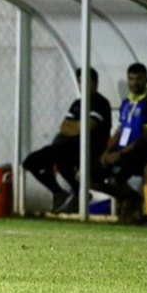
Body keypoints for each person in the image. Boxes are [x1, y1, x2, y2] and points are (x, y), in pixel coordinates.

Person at [22, 67, 111, 214]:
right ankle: (60, 192)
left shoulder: (100, 103)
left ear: (95, 83)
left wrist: (75, 127)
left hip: (89, 151)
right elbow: (64, 127)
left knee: (59, 158)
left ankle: (79, 193)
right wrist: (77, 127)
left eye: (87, 81)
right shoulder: (77, 103)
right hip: (66, 148)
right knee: (31, 162)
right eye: (80, 82)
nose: (83, 85)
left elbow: (86, 128)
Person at [92, 63, 147, 223]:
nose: (134, 82)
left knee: (115, 178)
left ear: (146, 80)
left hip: (140, 153)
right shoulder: (126, 102)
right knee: (85, 176)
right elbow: (120, 130)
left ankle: (141, 208)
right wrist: (107, 151)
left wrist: (120, 154)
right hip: (122, 153)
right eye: (131, 79)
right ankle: (130, 200)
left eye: (139, 79)